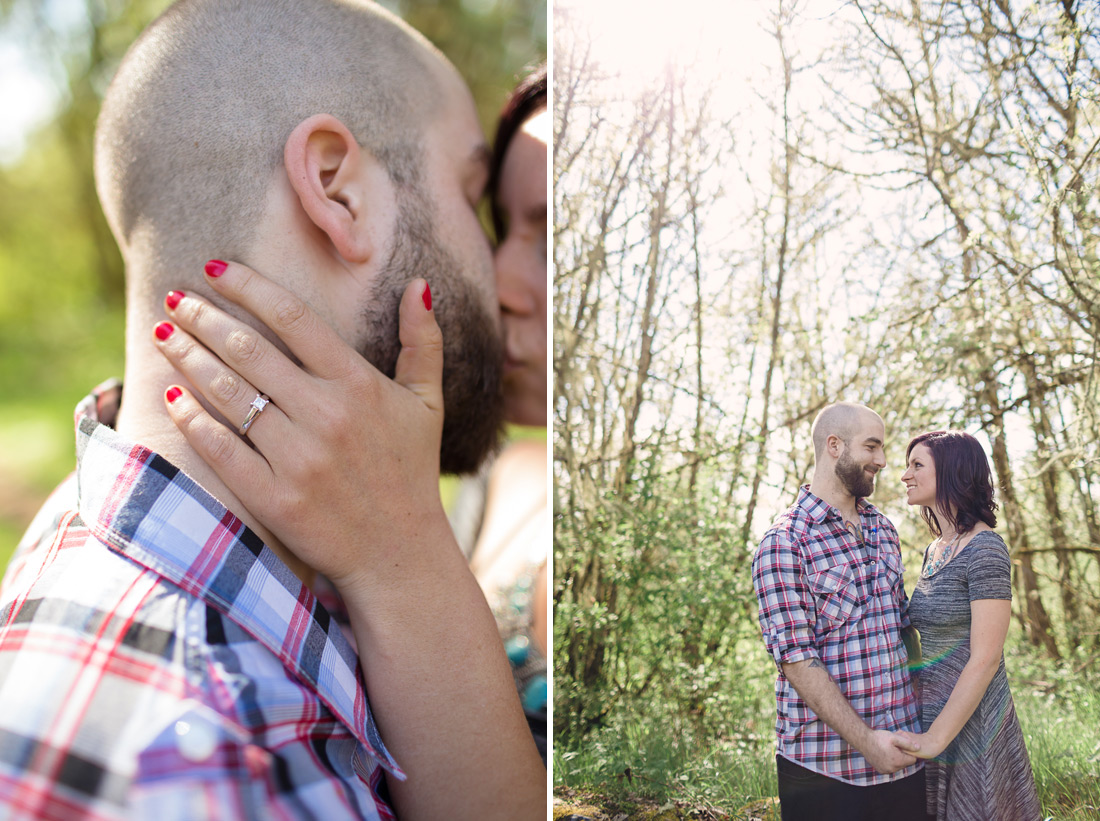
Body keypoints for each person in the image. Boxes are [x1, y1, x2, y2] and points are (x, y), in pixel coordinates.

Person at [0, 1, 543, 819]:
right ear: (337, 190)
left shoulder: (89, 512)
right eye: (473, 200)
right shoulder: (222, 765)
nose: (497, 278)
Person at [751, 402, 929, 820]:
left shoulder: (883, 530)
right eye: (872, 447)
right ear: (835, 445)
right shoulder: (784, 543)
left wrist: (922, 725)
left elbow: (904, 632)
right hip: (824, 774)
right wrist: (868, 743)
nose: (883, 461)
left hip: (904, 759)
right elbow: (796, 659)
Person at [896, 431, 1041, 820]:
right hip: (934, 712)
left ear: (951, 472)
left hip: (975, 720)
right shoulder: (934, 549)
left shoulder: (986, 549)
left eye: (917, 465)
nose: (905, 475)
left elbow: (986, 657)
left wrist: (934, 739)